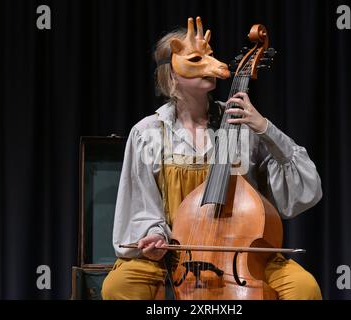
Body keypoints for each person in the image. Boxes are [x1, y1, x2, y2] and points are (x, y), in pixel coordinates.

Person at [101, 17, 323, 300]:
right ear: (171, 74)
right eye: (195, 59)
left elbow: (304, 191)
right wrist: (154, 235)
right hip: (175, 253)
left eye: (210, 55)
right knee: (118, 287)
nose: (212, 64)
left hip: (241, 254)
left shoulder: (242, 124)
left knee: (304, 289)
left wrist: (266, 128)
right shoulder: (148, 132)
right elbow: (141, 203)